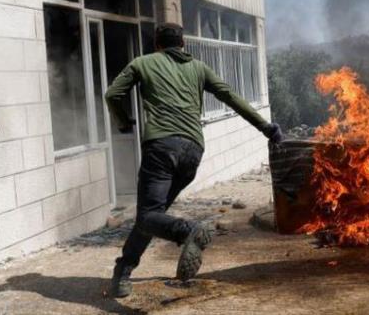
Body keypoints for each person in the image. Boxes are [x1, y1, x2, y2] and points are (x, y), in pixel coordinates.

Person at [105, 23, 284, 297]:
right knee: (152, 216)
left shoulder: (142, 63)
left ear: (157, 44)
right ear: (183, 43)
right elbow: (230, 96)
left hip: (162, 148)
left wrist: (123, 122)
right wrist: (266, 128)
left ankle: (186, 231)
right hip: (192, 151)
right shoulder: (199, 68)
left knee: (148, 216)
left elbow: (112, 94)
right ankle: (123, 273)